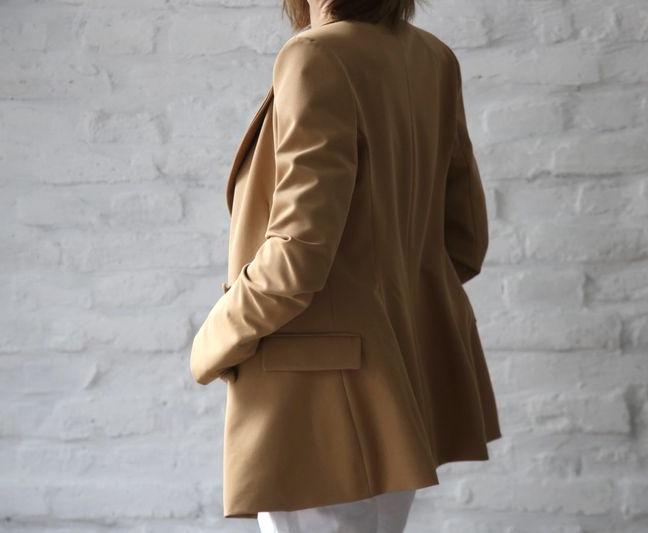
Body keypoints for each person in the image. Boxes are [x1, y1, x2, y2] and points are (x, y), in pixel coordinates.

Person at [189, 0, 503, 531]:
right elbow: (464, 240)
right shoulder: (433, 57)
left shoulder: (316, 56)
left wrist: (214, 339)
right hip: (405, 375)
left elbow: (299, 251)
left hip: (318, 392)